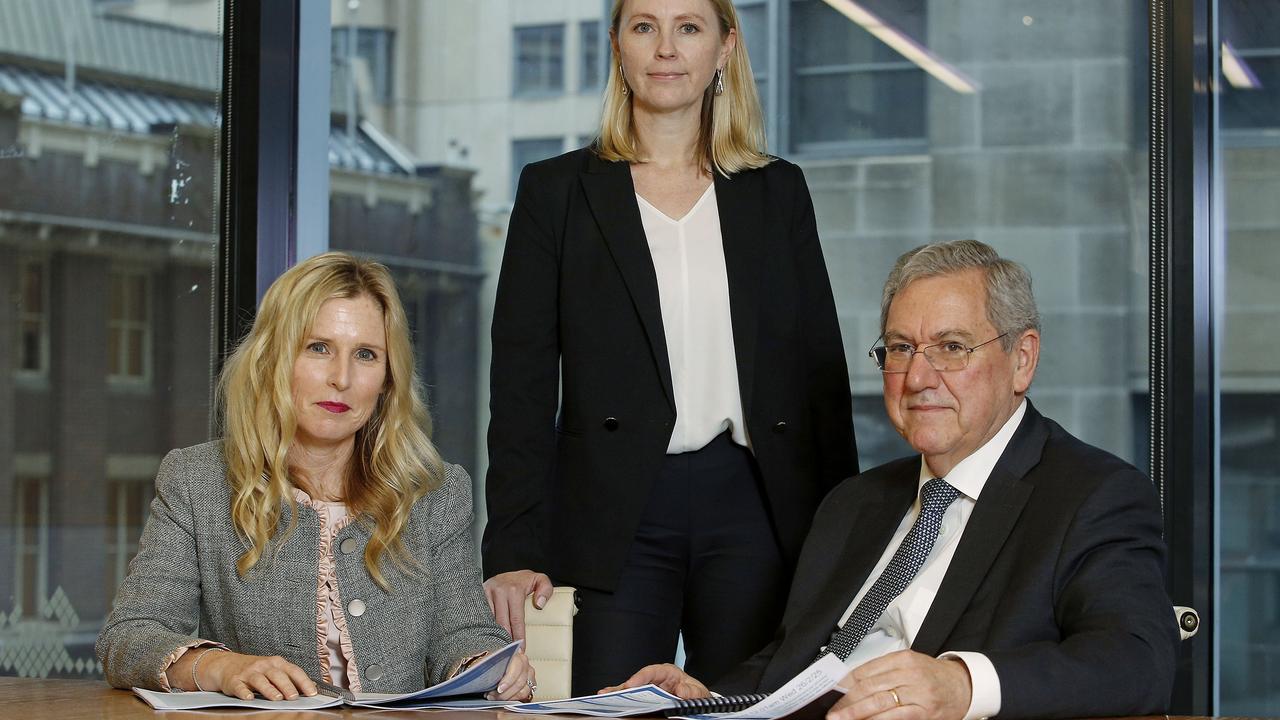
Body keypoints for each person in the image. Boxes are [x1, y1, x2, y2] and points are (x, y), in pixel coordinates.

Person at [608, 239, 1179, 720]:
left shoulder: (1091, 494)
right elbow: (798, 663)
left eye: (952, 348)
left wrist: (960, 686)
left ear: (1022, 359)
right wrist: (707, 698)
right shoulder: (855, 502)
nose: (918, 378)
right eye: (901, 349)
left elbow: (1137, 659)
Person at [482, 0, 857, 696]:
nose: (666, 48)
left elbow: (821, 381)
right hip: (612, 508)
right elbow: (522, 389)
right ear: (618, 46)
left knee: (748, 709)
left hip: (754, 507)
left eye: (689, 27)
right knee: (607, 709)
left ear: (725, 48)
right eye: (643, 26)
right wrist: (511, 547)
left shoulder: (779, 192)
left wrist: (843, 551)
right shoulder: (556, 192)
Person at [97, 252, 534, 701]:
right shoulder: (197, 480)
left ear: (387, 380)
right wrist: (219, 666)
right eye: (318, 348)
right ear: (273, 358)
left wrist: (488, 663)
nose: (341, 378)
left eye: (366, 355)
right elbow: (129, 637)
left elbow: (462, 632)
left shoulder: (436, 491)